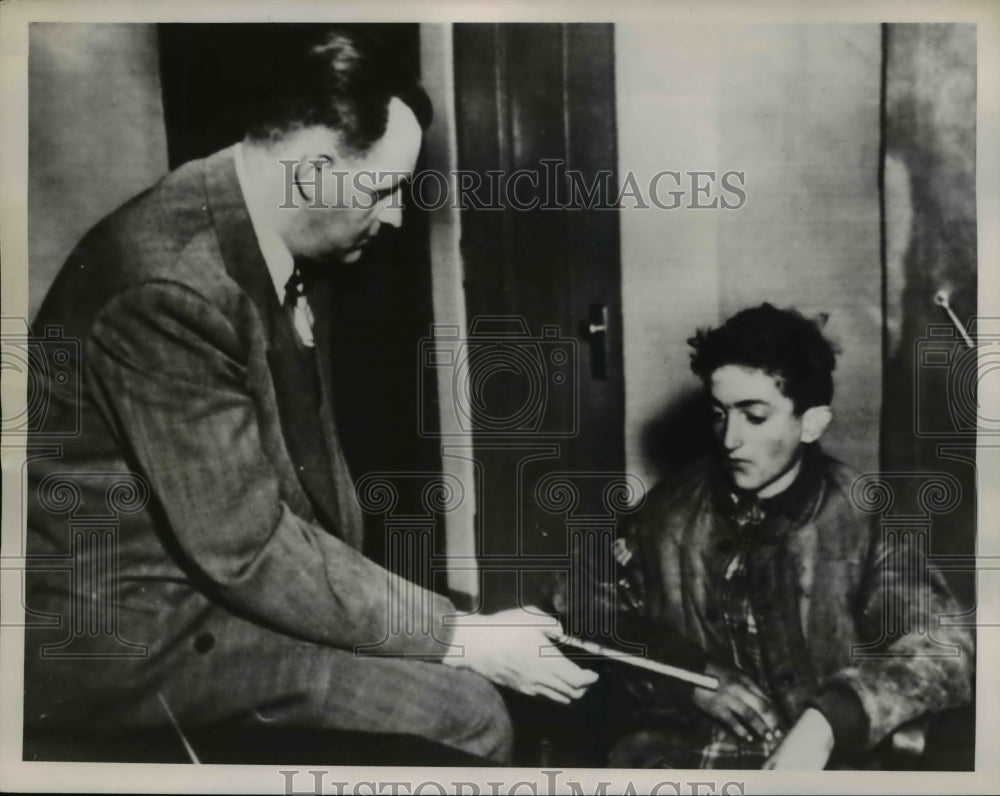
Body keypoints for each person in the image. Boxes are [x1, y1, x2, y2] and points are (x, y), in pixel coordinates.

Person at [23, 27, 595, 764]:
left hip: (205, 585)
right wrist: (462, 639)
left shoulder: (250, 231)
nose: (392, 218)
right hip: (128, 633)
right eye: (384, 190)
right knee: (465, 713)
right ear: (315, 170)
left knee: (452, 666)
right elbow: (249, 547)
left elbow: (300, 508)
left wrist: (450, 630)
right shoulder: (168, 286)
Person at [590, 304, 974, 769]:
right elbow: (584, 606)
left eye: (754, 417)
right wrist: (686, 674)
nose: (729, 439)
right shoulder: (667, 509)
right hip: (684, 754)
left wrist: (829, 721)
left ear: (810, 424)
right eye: (718, 414)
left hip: (822, 761)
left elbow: (942, 648)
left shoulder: (866, 518)